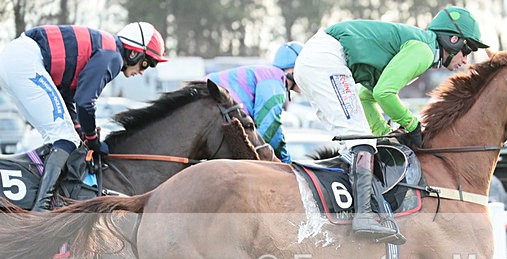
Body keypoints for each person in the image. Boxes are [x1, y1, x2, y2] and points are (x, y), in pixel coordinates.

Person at [293, 6, 488, 242]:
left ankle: (354, 209)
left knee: (358, 141)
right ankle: (363, 215)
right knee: (360, 140)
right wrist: (412, 125)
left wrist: (383, 133)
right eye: (467, 50)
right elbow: (384, 93)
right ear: (452, 40)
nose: (465, 60)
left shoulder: (420, 48)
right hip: (325, 59)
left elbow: (368, 96)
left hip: (317, 59)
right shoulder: (424, 51)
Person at [0, 22, 167, 211]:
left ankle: (42, 197)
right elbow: (85, 102)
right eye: (147, 62)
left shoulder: (105, 50)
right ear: (134, 52)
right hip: (25, 60)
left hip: (15, 59)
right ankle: (42, 207)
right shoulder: (112, 56)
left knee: (59, 137)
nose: (143, 71)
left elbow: (68, 98)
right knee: (64, 138)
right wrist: (93, 139)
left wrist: (80, 131)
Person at [206, 42, 303, 163]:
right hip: (211, 106)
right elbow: (269, 128)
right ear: (294, 69)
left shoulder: (268, 75)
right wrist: (286, 161)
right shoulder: (274, 79)